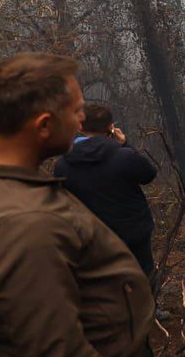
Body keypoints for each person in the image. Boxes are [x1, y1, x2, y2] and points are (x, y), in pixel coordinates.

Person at [0, 53, 164, 357]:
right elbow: (53, 350)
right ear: (44, 125)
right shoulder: (24, 223)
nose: (82, 121)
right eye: (76, 110)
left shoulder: (12, 187)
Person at [53, 103, 158, 279]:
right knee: (142, 280)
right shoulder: (124, 156)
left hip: (90, 239)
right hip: (133, 235)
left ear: (79, 126)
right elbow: (148, 175)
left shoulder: (63, 165)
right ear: (111, 127)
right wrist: (125, 145)